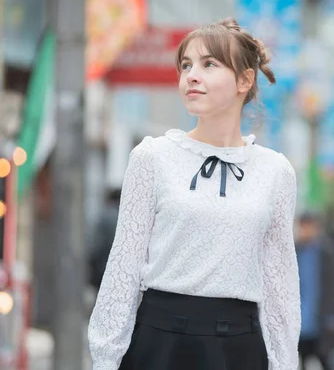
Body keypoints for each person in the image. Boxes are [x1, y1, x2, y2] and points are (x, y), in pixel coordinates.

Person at [88, 18, 301, 370]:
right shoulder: (153, 156)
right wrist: (105, 359)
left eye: (209, 64)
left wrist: (284, 361)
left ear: (244, 80)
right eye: (186, 65)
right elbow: (124, 266)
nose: (192, 75)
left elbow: (280, 280)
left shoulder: (275, 171)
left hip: (238, 347)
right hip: (159, 340)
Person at [295, 211, 334, 370]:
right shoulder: (294, 251)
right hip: (300, 318)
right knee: (301, 360)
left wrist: (333, 314)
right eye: (304, 226)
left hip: (321, 316)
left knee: (326, 359)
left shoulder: (327, 252)